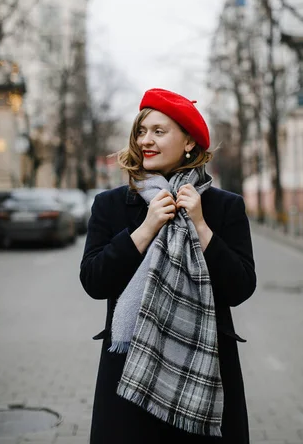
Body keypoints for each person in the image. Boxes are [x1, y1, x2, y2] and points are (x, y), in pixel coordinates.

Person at [80, 87, 256, 444]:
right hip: (129, 371)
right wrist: (145, 229)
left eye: (159, 132)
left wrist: (202, 227)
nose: (146, 140)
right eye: (142, 131)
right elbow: (94, 281)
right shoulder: (111, 205)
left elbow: (240, 288)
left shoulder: (223, 207)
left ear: (189, 141)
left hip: (203, 372)